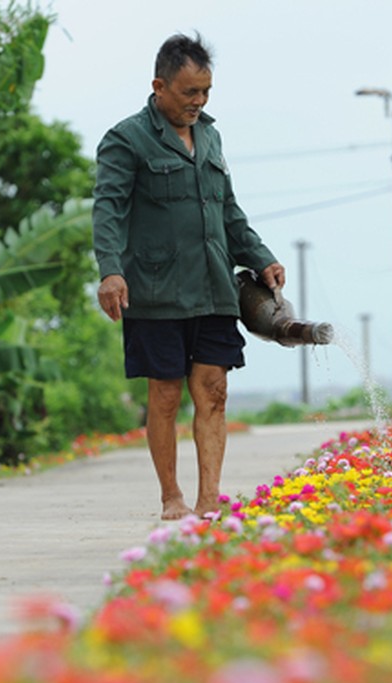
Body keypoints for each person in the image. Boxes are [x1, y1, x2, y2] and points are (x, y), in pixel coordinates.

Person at [93, 33, 286, 521]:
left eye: (205, 92)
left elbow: (228, 210)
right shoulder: (126, 138)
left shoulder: (211, 137)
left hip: (214, 285)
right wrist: (111, 272)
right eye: (188, 92)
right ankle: (170, 496)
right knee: (164, 393)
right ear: (159, 86)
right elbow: (108, 210)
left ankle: (209, 498)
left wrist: (260, 256)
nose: (198, 102)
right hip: (155, 289)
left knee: (214, 390)